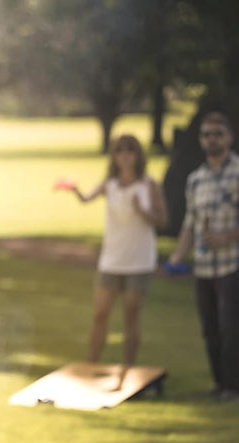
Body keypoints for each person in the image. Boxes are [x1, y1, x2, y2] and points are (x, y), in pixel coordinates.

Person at [169, 111, 239, 402]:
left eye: (217, 134)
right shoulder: (196, 179)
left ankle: (233, 387)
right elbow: (190, 224)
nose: (211, 140)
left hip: (232, 262)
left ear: (229, 138)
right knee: (210, 327)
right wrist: (177, 256)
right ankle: (219, 383)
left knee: (230, 325)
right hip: (204, 266)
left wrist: (227, 236)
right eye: (206, 135)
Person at [67, 134, 167, 389]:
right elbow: (86, 199)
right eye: (120, 151)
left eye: (130, 151)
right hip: (111, 259)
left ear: (137, 155)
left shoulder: (148, 185)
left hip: (139, 260)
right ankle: (91, 365)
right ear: (114, 155)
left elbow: (163, 220)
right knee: (100, 314)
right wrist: (73, 189)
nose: (124, 156)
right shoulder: (109, 184)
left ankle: (127, 369)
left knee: (131, 314)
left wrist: (142, 211)